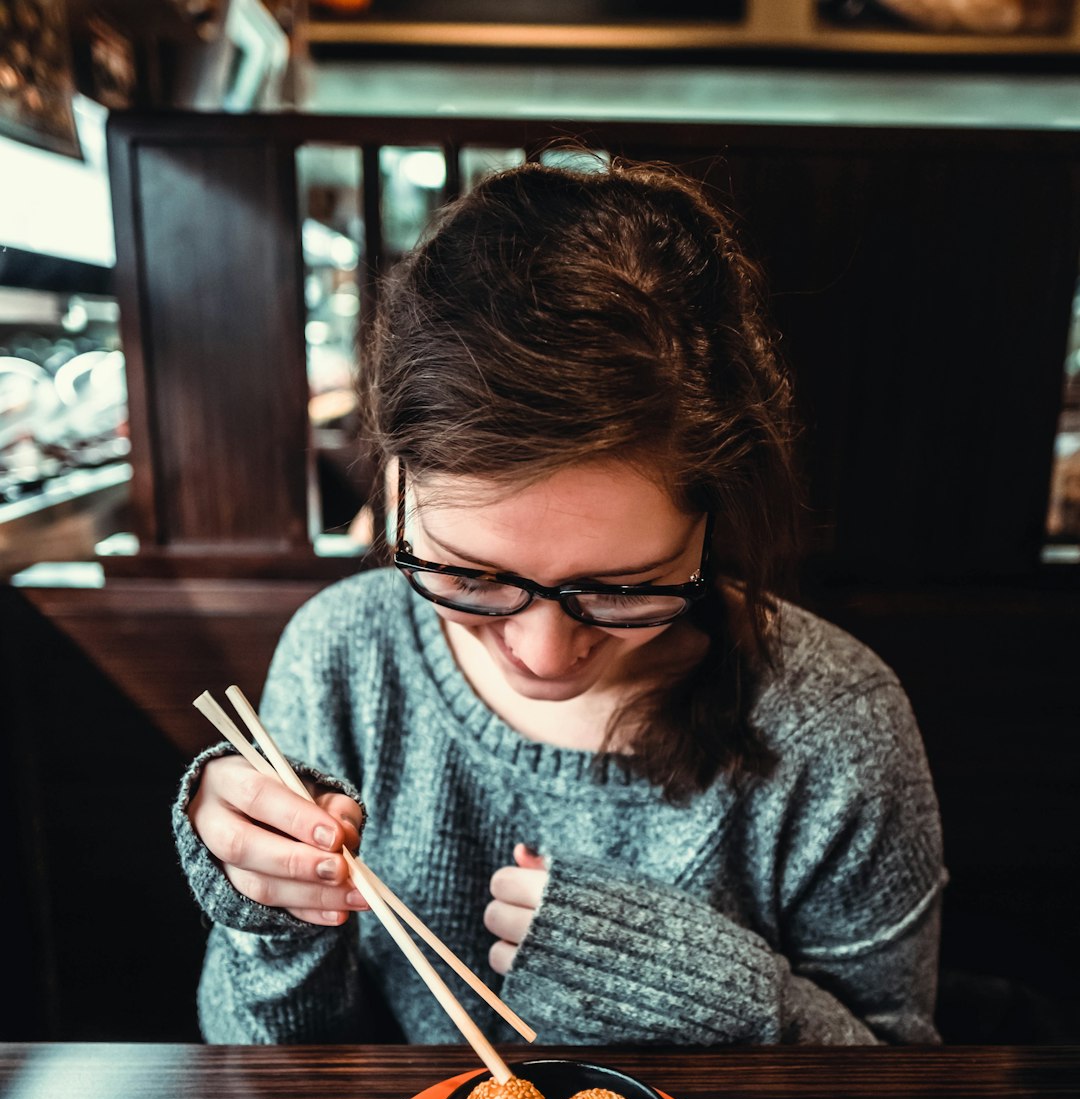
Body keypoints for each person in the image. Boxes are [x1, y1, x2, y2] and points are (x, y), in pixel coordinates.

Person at [174, 158, 945, 1047]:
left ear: (711, 515)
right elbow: (269, 1081)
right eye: (470, 577)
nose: (543, 652)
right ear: (393, 480)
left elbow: (901, 1084)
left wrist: (711, 994)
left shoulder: (834, 721)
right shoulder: (344, 656)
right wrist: (268, 916)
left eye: (622, 588)